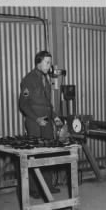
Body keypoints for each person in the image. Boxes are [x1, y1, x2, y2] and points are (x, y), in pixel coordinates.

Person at [19, 50, 64, 199]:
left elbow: (48, 104)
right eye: (47, 62)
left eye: (50, 62)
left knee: (48, 151)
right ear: (38, 62)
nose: (49, 66)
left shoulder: (46, 80)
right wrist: (36, 119)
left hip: (46, 122)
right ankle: (34, 189)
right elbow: (23, 104)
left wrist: (55, 117)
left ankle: (48, 186)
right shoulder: (29, 80)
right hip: (34, 122)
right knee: (34, 155)